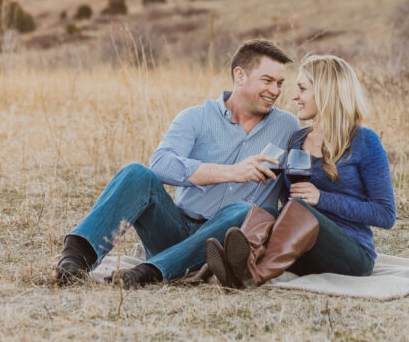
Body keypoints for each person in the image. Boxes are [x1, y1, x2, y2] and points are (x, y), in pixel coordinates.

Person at [54, 38, 301, 288]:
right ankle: (74, 261)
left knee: (245, 210)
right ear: (240, 76)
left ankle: (147, 273)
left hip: (227, 242)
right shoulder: (196, 117)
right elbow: (161, 164)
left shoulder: (288, 126)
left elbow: (294, 186)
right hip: (176, 230)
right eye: (267, 81)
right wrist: (232, 172)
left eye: (280, 83)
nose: (276, 91)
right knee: (136, 173)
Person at [205, 54, 395, 288]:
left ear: (325, 93)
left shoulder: (365, 141)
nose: (295, 96)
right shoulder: (298, 139)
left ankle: (253, 273)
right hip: (302, 252)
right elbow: (289, 205)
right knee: (264, 210)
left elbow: (386, 215)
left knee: (300, 209)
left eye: (302, 89)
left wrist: (321, 199)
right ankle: (243, 262)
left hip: (352, 256)